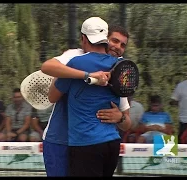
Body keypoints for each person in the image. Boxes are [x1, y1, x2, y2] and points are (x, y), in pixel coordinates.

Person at [40, 23, 131, 176]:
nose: (118, 47)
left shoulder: (119, 71)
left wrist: (120, 117)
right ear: (104, 39)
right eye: (115, 41)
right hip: (59, 140)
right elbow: (48, 66)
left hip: (90, 145)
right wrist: (86, 75)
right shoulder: (75, 56)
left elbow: (127, 123)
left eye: (123, 45)